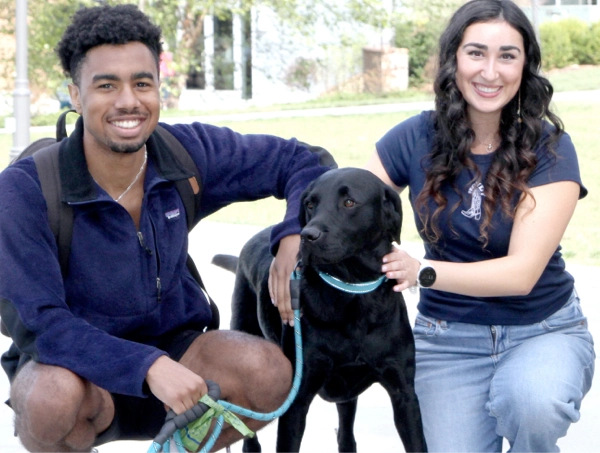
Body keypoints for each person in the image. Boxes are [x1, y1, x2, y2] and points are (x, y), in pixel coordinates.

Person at [0, 5, 334, 453]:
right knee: (48, 399)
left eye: (142, 83)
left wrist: (292, 236)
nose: (127, 101)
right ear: (75, 96)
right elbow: (46, 327)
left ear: (159, 88)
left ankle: (177, 449)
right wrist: (148, 366)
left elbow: (303, 160)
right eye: (105, 85)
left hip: (182, 356)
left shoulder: (184, 155)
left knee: (268, 370)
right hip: (79, 375)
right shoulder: (27, 189)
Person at [365, 0, 595, 452]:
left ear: (525, 65)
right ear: (454, 58)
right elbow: (350, 204)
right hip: (446, 338)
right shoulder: (414, 138)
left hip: (542, 329)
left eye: (507, 55)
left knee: (532, 403)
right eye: (476, 53)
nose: (491, 71)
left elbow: (520, 274)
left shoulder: (551, 148)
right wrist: (292, 240)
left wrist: (422, 271)